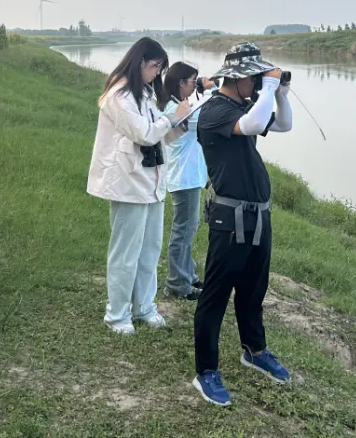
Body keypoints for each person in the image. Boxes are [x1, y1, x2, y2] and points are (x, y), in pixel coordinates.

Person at [191, 42, 294, 407]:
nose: (256, 82)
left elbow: (283, 124)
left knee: (254, 290)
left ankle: (254, 350)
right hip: (229, 217)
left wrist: (279, 92)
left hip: (258, 214)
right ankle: (206, 372)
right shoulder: (215, 110)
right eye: (253, 76)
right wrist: (267, 87)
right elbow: (251, 124)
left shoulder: (243, 104)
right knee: (215, 296)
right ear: (237, 78)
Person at [86, 37, 192, 335]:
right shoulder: (119, 96)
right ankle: (117, 314)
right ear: (140, 62)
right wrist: (172, 118)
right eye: (155, 66)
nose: (157, 73)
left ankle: (144, 307)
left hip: (151, 182)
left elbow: (159, 134)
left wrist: (180, 123)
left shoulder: (144, 94)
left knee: (149, 250)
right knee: (125, 252)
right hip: (128, 183)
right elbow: (145, 133)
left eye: (160, 68)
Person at [158, 62, 216, 301]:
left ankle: (188, 275)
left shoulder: (177, 105)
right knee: (183, 231)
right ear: (181, 82)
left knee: (188, 229)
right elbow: (207, 118)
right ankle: (177, 284)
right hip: (184, 178)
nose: (195, 85)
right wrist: (213, 90)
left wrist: (202, 90)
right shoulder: (176, 109)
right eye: (193, 81)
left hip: (188, 177)